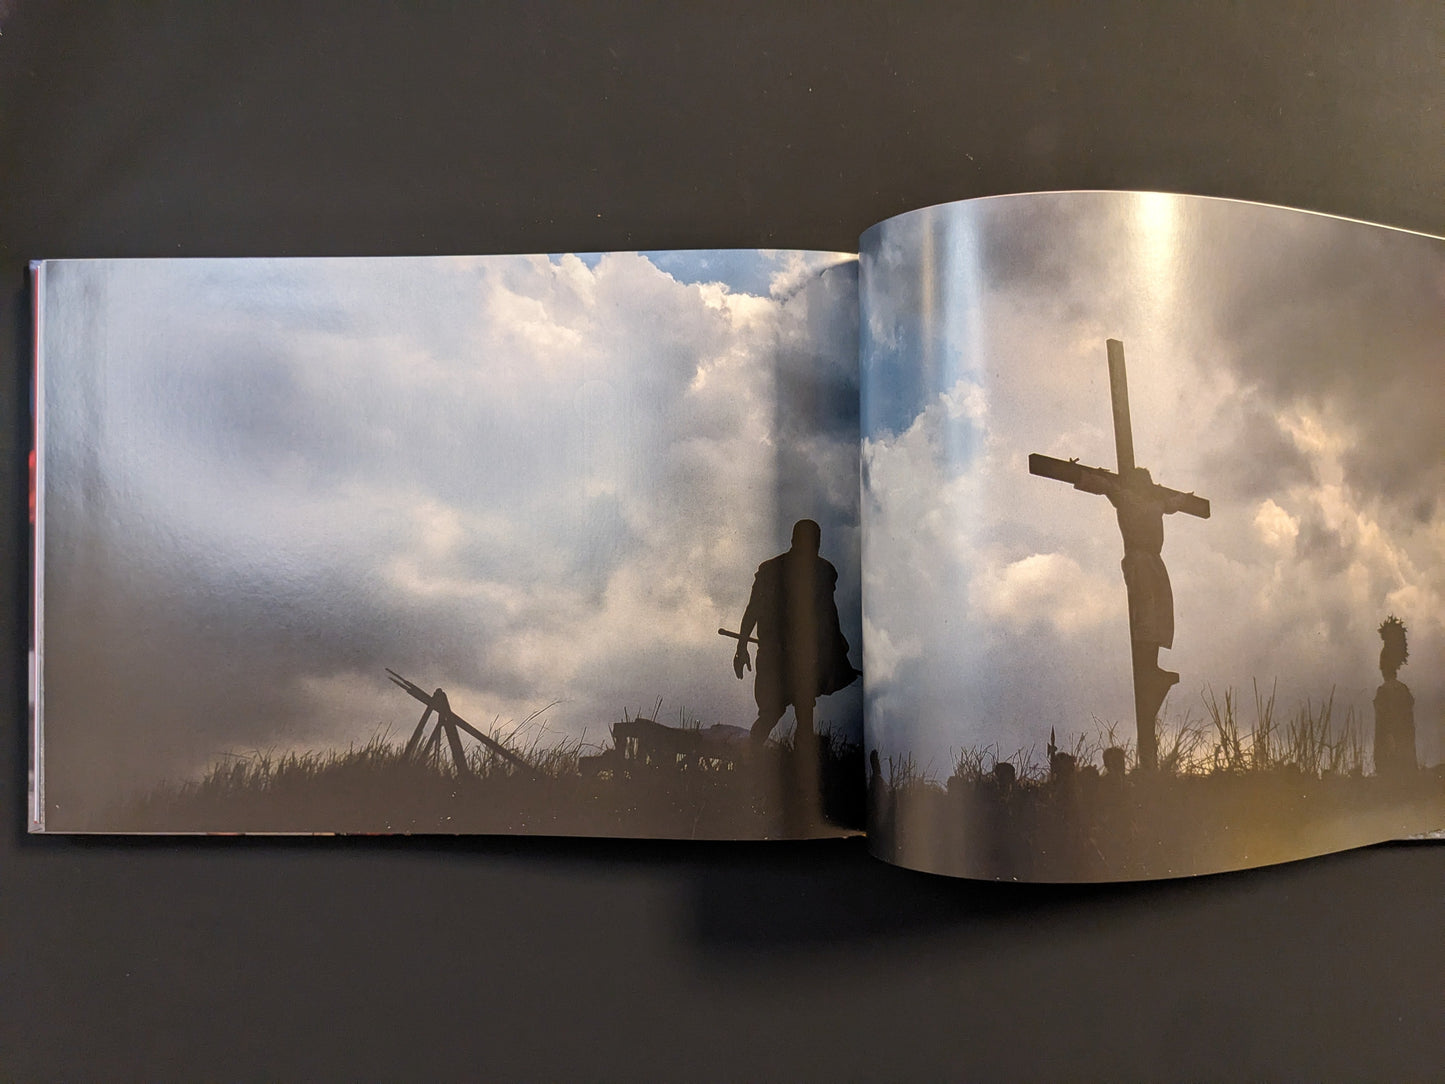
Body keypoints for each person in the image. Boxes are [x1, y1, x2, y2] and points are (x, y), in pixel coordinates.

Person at [732, 519, 858, 748]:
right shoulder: (801, 571)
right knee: (779, 711)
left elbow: (828, 615)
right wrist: (741, 647)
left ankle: (763, 760)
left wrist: (742, 646)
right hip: (782, 657)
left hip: (796, 658)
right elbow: (754, 610)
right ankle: (751, 760)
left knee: (795, 711)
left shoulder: (817, 572)